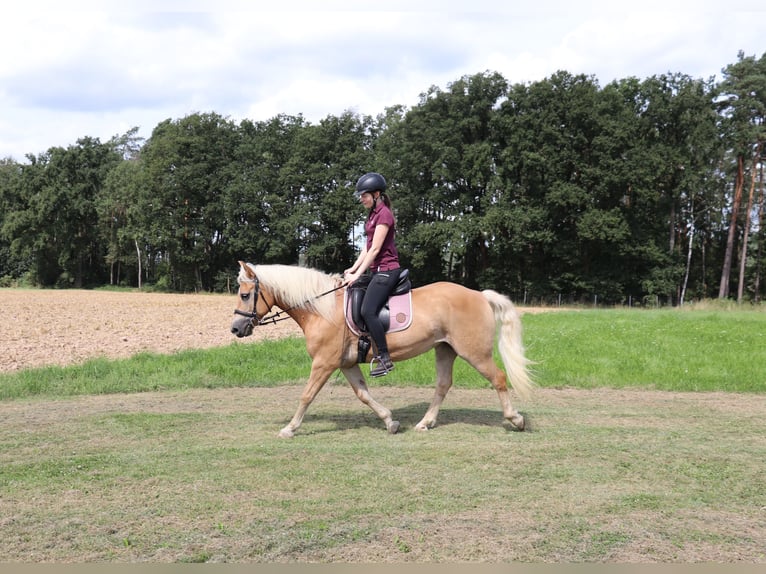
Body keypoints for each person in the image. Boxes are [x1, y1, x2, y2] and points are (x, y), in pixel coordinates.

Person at [344, 172, 401, 377]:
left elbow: (376, 250)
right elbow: (366, 249)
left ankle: (384, 357)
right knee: (353, 289)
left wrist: (357, 274)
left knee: (368, 310)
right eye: (360, 196)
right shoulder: (372, 215)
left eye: (364, 195)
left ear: (376, 194)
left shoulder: (384, 214)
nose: (361, 199)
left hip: (388, 270)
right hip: (376, 270)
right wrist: (353, 269)